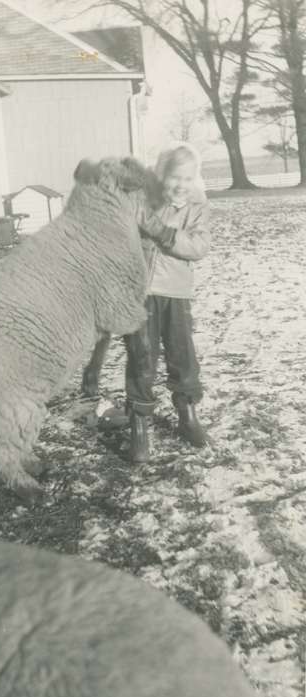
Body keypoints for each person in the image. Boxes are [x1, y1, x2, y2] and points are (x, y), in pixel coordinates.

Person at [124, 143, 211, 462]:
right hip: (141, 291)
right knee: (141, 358)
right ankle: (140, 426)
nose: (181, 185)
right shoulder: (144, 201)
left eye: (188, 179)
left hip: (176, 291)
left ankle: (187, 416)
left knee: (182, 354)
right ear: (162, 176)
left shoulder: (198, 205)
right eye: (175, 177)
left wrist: (165, 233)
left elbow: (200, 245)